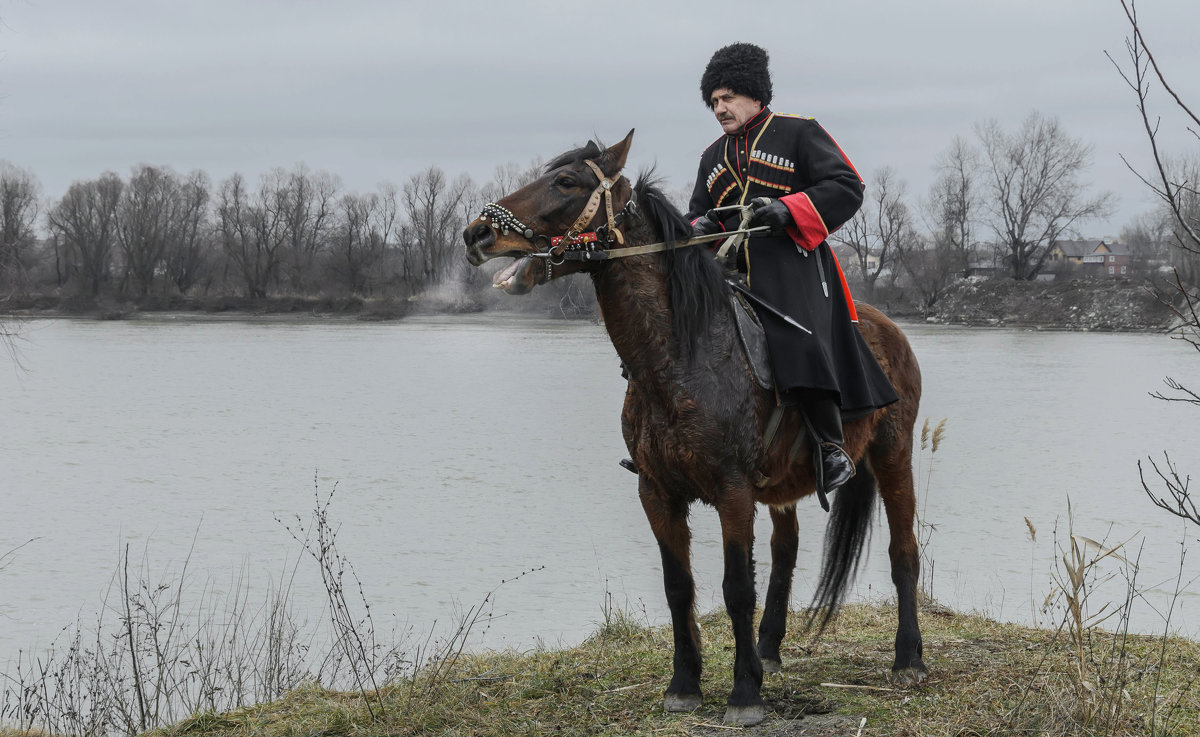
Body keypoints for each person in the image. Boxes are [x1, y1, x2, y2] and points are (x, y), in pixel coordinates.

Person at [687, 42, 898, 497]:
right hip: (730, 276)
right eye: (713, 102)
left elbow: (847, 186)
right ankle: (667, 440)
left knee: (796, 337)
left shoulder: (800, 133)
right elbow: (695, 217)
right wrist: (700, 226)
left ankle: (829, 447)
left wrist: (788, 210)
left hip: (795, 266)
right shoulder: (710, 158)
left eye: (727, 98)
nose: (719, 108)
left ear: (755, 95)